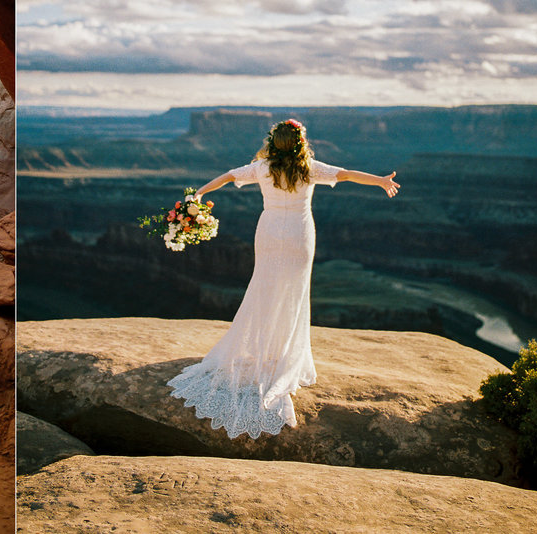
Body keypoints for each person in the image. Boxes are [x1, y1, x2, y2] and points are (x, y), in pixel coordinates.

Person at [168, 118, 399, 438]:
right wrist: (381, 180)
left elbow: (226, 177)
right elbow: (346, 174)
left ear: (273, 141)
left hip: (269, 232)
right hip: (299, 236)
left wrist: (196, 197)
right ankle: (281, 355)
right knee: (293, 294)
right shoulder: (310, 168)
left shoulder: (261, 168)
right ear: (300, 142)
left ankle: (264, 350)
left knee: (264, 289)